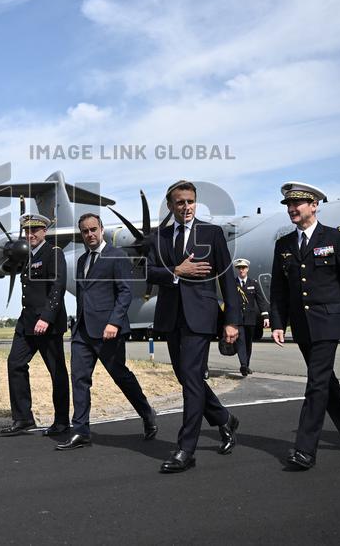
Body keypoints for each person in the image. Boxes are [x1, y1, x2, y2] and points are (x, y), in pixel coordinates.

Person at [270, 182, 340, 470]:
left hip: (329, 320)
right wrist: (278, 323)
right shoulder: (284, 245)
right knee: (325, 380)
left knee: (316, 383)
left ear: (314, 205)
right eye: (288, 206)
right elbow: (279, 289)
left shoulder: (337, 238)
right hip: (302, 325)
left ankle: (304, 449)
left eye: (298, 204)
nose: (292, 209)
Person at [147, 180, 241, 473]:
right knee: (186, 376)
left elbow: (227, 279)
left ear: (195, 202)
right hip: (170, 316)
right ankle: (224, 419)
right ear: (170, 205)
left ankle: (185, 449)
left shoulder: (211, 233)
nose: (186, 207)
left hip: (200, 317)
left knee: (190, 378)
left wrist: (232, 320)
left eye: (190, 201)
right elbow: (146, 271)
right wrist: (176, 270)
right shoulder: (158, 237)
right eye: (180, 202)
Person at [56, 213, 158, 451]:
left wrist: (114, 322)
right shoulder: (82, 261)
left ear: (101, 229)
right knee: (79, 379)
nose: (90, 234)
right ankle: (81, 430)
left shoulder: (117, 256)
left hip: (108, 330)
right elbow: (85, 295)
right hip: (82, 330)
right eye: (85, 231)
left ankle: (147, 413)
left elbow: (125, 292)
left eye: (93, 229)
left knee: (120, 375)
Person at [0, 214, 71, 437]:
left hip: (46, 324)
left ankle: (61, 422)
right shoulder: (27, 256)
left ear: (44, 232)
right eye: (27, 231)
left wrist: (47, 318)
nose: (30, 234)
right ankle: (23, 418)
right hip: (26, 322)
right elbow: (6, 268)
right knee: (15, 364)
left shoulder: (53, 253)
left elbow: (57, 287)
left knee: (57, 372)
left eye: (35, 230)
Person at [232, 258, 269, 376]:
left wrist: (265, 316)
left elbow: (261, 300)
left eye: (243, 268)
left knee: (248, 342)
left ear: (247, 269)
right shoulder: (233, 284)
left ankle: (246, 365)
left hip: (250, 318)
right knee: (240, 341)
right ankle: (243, 364)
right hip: (238, 318)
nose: (241, 270)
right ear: (237, 270)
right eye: (239, 268)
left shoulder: (254, 283)